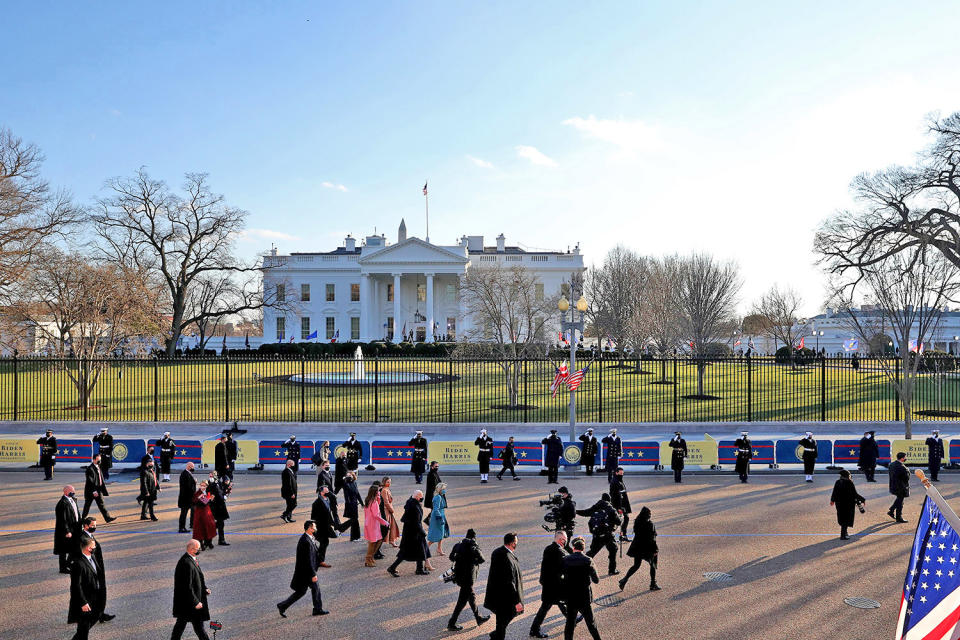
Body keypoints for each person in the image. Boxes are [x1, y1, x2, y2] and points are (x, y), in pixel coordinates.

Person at [277, 520, 329, 617]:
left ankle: (282, 606)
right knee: (315, 589)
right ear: (310, 528)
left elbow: (315, 555)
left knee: (301, 592)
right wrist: (313, 574)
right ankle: (317, 609)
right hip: (307, 573)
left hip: (305, 572)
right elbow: (308, 560)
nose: (316, 528)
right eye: (314, 527)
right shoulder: (305, 541)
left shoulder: (309, 538)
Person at [447, 528, 490, 631]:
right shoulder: (473, 546)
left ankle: (478, 617)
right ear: (474, 537)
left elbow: (451, 557)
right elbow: (482, 559)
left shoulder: (458, 544)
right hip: (469, 577)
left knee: (471, 597)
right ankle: (452, 623)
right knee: (462, 601)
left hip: (459, 576)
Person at [560, 536, 603, 640]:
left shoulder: (565, 560)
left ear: (574, 548)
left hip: (570, 596)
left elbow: (559, 575)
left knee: (570, 623)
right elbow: (596, 580)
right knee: (591, 623)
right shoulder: (588, 560)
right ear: (583, 549)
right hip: (584, 597)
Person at [483, 532, 524, 640]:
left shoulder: (498, 552)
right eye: (516, 542)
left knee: (501, 622)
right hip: (505, 598)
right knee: (503, 622)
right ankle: (497, 635)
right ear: (512, 543)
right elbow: (509, 581)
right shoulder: (507, 557)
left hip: (497, 596)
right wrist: (516, 601)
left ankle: (496, 634)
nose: (517, 544)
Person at [529, 531, 569, 638]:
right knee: (546, 607)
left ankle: (571, 619)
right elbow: (566, 564)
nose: (565, 542)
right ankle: (534, 630)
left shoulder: (548, 548)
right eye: (565, 540)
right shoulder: (559, 551)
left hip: (548, 583)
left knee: (560, 603)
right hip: (554, 585)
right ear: (561, 540)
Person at [171, 539, 212, 640]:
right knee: (198, 627)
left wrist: (204, 589)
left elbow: (196, 579)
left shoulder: (190, 559)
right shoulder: (186, 563)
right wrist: (196, 602)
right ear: (191, 549)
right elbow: (186, 586)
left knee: (181, 624)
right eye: (198, 549)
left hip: (187, 602)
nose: (199, 550)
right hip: (190, 603)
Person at [76, 517, 115, 622]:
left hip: (96, 568)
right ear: (85, 526)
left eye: (95, 525)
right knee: (95, 593)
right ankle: (97, 615)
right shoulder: (82, 538)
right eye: (92, 525)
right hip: (91, 569)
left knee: (100, 593)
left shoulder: (89, 535)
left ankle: (100, 614)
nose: (94, 527)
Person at [576, 492, 621, 575]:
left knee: (592, 552)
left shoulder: (596, 507)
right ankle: (612, 570)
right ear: (609, 500)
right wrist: (619, 515)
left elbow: (586, 512)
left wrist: (576, 511)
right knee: (613, 550)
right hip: (608, 535)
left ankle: (580, 568)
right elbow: (618, 522)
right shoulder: (611, 509)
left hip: (597, 534)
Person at [387, 490, 430, 576]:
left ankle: (419, 569)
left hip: (410, 532)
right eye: (421, 497)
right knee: (406, 552)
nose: (422, 498)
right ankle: (392, 568)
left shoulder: (410, 503)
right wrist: (423, 532)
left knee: (418, 550)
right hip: (414, 533)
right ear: (417, 497)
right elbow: (416, 522)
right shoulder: (415, 507)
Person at [68, 536, 103, 640]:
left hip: (94, 598)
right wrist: (83, 602)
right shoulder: (78, 564)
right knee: (83, 629)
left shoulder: (92, 557)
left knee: (84, 629)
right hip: (85, 601)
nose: (95, 547)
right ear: (88, 548)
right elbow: (75, 586)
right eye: (94, 546)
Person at [618, 506, 660, 591]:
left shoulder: (637, 522)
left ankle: (624, 579)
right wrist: (655, 550)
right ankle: (653, 584)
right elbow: (652, 539)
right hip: (647, 548)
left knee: (636, 565)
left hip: (637, 547)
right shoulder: (650, 524)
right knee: (652, 565)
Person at [830, 469, 865, 540]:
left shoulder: (838, 482)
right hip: (848, 504)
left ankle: (845, 532)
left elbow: (834, 492)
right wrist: (862, 499)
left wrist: (832, 500)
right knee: (846, 519)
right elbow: (854, 494)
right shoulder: (849, 483)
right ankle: (843, 535)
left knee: (842, 518)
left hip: (839, 503)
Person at [55, 485, 81, 573]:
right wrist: (67, 531)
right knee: (63, 550)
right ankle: (63, 568)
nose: (74, 493)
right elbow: (62, 519)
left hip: (75, 527)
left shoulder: (73, 500)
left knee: (74, 547)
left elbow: (77, 513)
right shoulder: (62, 503)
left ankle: (68, 564)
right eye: (72, 491)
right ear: (66, 492)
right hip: (66, 530)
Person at [82, 454, 115, 522]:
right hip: (91, 491)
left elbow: (99, 478)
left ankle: (107, 518)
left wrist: (104, 483)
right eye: (98, 460)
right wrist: (94, 491)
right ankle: (82, 519)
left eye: (100, 459)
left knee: (101, 505)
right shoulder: (90, 469)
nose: (100, 461)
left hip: (98, 489)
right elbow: (90, 482)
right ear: (94, 460)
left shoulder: (98, 466)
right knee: (87, 506)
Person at [363, 483, 389, 566]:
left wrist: (378, 499)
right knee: (373, 542)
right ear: (375, 492)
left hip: (369, 523)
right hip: (373, 524)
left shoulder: (369, 500)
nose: (379, 492)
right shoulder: (373, 502)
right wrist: (384, 522)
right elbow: (376, 515)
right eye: (378, 491)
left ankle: (370, 558)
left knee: (376, 540)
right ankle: (368, 559)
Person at [310, 486, 337, 568]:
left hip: (326, 525)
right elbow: (313, 517)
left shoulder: (328, 499)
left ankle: (318, 560)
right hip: (320, 527)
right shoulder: (316, 503)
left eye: (328, 490)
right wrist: (315, 529)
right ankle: (319, 560)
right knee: (324, 542)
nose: (328, 492)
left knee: (324, 542)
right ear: (321, 493)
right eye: (326, 491)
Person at [206, 472, 230, 546]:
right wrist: (210, 498)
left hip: (220, 506)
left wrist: (226, 492)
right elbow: (208, 495)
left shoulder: (218, 482)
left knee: (221, 524)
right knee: (214, 525)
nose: (210, 477)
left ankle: (221, 540)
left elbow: (221, 491)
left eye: (212, 475)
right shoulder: (209, 484)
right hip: (214, 507)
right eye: (210, 475)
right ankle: (208, 541)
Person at [192, 482, 217, 550]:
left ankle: (209, 542)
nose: (202, 487)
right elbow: (198, 502)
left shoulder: (208, 492)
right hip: (200, 513)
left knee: (210, 527)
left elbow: (209, 502)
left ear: (206, 486)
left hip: (207, 513)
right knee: (200, 529)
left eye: (204, 486)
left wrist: (211, 499)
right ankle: (201, 544)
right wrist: (208, 499)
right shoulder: (198, 493)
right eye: (201, 485)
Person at [338, 471, 363, 541]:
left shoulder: (355, 483)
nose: (349, 476)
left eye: (350, 475)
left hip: (355, 504)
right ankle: (342, 528)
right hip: (350, 505)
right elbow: (346, 496)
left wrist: (362, 503)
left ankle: (354, 537)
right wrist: (344, 480)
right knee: (354, 520)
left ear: (353, 476)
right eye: (347, 475)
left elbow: (357, 494)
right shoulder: (345, 484)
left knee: (355, 521)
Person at [428, 482, 451, 557]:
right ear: (440, 489)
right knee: (435, 534)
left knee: (441, 533)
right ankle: (425, 549)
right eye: (444, 489)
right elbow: (436, 509)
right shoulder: (438, 497)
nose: (445, 490)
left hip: (441, 515)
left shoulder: (440, 496)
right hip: (438, 518)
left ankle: (439, 549)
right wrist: (440, 518)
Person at [610, 466, 632, 541]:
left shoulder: (619, 480)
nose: (622, 475)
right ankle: (611, 535)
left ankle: (623, 535)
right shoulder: (615, 482)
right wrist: (619, 507)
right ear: (616, 473)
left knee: (625, 519)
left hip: (623, 504)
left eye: (622, 473)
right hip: (619, 505)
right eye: (620, 473)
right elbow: (614, 495)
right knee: (617, 521)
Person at [888, 452, 910, 523]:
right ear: (902, 458)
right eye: (905, 457)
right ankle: (898, 517)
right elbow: (906, 478)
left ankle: (891, 510)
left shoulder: (891, 465)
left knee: (899, 499)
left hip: (893, 485)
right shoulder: (903, 468)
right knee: (900, 502)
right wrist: (908, 471)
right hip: (901, 487)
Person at [381, 476, 401, 546]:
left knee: (392, 526)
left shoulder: (387, 489)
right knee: (388, 526)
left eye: (390, 482)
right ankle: (384, 540)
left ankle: (392, 540)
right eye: (387, 482)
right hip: (386, 511)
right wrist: (391, 510)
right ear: (384, 482)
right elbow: (386, 502)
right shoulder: (384, 490)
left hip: (388, 510)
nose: (389, 483)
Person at [178, 462, 197, 533]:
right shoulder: (185, 474)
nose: (193, 468)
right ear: (189, 466)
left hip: (186, 498)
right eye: (192, 467)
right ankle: (181, 528)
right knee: (183, 514)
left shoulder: (187, 473)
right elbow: (188, 487)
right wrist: (194, 482)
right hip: (185, 498)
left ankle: (184, 527)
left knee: (185, 513)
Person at [281, 459, 298, 523]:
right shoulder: (286, 472)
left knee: (290, 505)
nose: (294, 466)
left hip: (292, 492)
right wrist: (291, 493)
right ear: (289, 465)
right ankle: (285, 515)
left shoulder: (290, 471)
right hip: (289, 492)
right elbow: (288, 484)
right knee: (293, 504)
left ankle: (288, 517)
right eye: (293, 465)